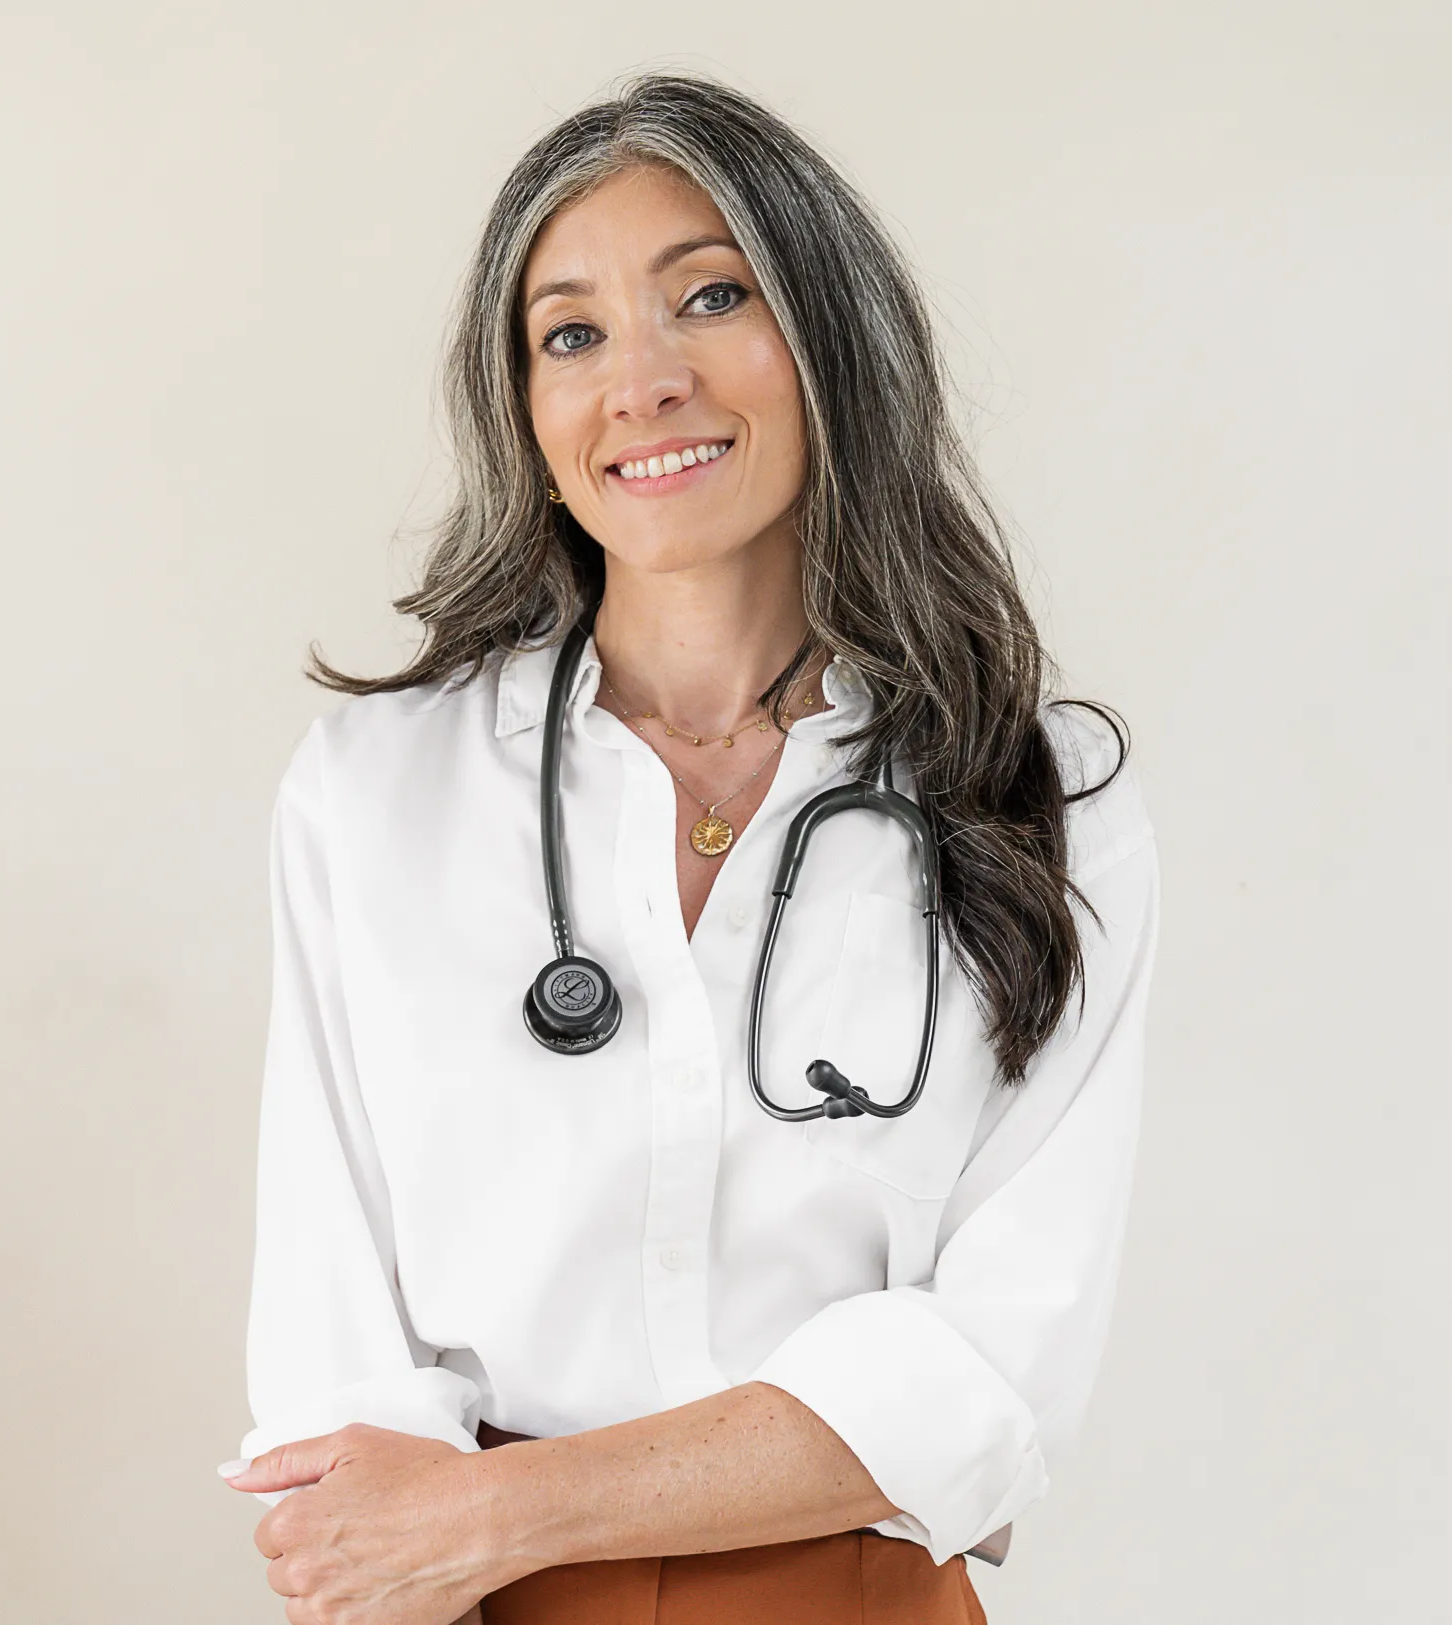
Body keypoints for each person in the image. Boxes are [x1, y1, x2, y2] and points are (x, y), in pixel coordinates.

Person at [216, 72, 1159, 1625]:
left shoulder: (1035, 796)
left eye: (711, 296)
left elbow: (995, 1368)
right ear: (523, 408)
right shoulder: (375, 793)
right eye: (570, 334)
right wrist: (436, 1540)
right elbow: (333, 1366)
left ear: (830, 339)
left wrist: (500, 1511)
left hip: (845, 1594)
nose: (642, 383)